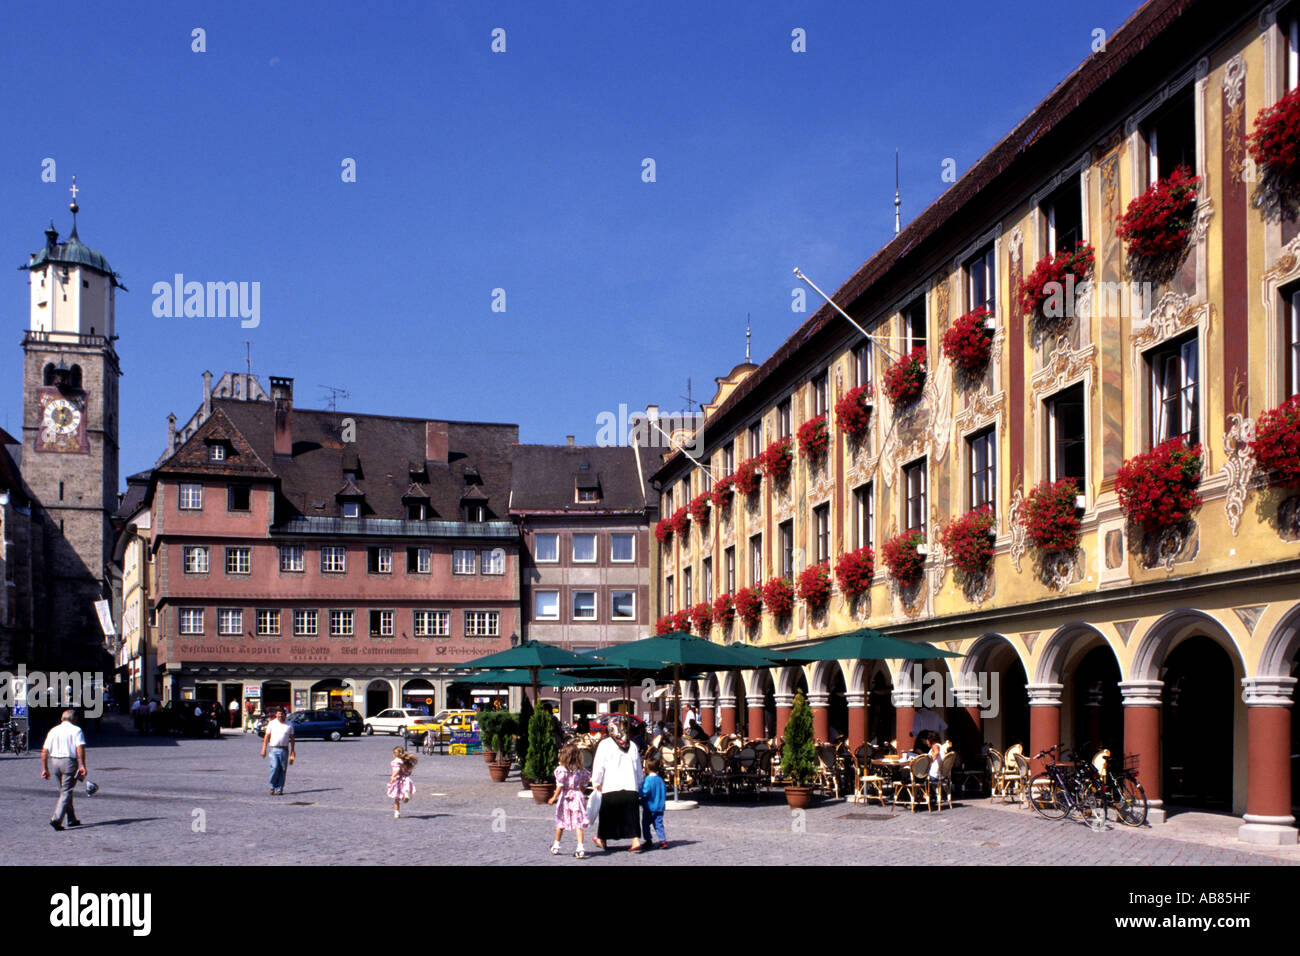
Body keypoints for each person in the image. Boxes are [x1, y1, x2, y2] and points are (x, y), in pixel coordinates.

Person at [590, 717, 643, 852]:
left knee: (607, 816)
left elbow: (599, 766)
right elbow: (638, 769)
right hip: (631, 788)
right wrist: (639, 784)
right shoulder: (632, 746)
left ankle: (602, 839)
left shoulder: (605, 744)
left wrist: (596, 782)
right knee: (632, 816)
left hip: (611, 787)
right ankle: (636, 840)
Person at [40, 710, 87, 830]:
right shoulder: (76, 730)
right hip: (69, 762)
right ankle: (56, 819)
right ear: (74, 719)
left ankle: (71, 819)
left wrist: (44, 768)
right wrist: (82, 765)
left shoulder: (53, 730)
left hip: (55, 762)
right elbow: (79, 748)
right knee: (66, 791)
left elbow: (44, 751)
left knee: (64, 790)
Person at [548, 742, 591, 858]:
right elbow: (584, 784)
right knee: (579, 823)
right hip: (577, 796)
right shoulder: (581, 770)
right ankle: (580, 848)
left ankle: (556, 845)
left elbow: (560, 786)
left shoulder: (561, 770)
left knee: (561, 821)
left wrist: (553, 797)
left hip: (565, 798)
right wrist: (578, 792)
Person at [260, 708, 295, 795]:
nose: (280, 715)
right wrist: (264, 749)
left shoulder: (289, 724)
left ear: (285, 714)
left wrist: (293, 751)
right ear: (276, 715)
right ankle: (272, 786)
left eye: (282, 714)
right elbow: (266, 737)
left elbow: (292, 738)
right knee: (275, 767)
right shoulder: (272, 723)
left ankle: (280, 788)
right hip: (274, 749)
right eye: (279, 714)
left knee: (283, 769)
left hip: (284, 749)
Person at [640, 753, 667, 850]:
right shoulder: (660, 780)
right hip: (659, 807)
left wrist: (639, 793)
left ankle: (648, 840)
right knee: (659, 824)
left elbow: (645, 791)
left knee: (645, 824)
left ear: (647, 768)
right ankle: (662, 840)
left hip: (649, 807)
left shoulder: (647, 780)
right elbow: (664, 791)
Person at [387, 747, 417, 818]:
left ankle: (397, 812)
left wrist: (393, 776)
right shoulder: (404, 762)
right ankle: (405, 797)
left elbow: (397, 770)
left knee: (396, 798)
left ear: (394, 754)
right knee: (404, 791)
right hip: (405, 780)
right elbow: (409, 773)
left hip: (397, 780)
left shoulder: (395, 762)